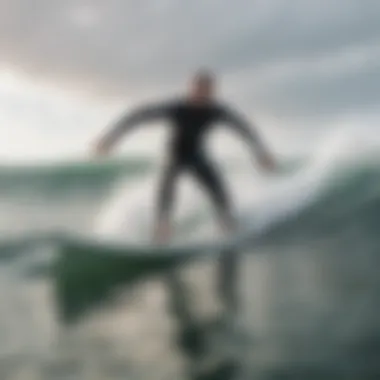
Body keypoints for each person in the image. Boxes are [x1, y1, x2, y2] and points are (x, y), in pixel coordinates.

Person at [93, 69, 277, 245]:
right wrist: (110, 138)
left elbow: (243, 128)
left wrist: (261, 153)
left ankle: (228, 227)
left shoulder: (215, 111)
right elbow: (139, 116)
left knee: (219, 191)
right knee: (167, 187)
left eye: (206, 90)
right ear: (191, 88)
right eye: (197, 88)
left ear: (212, 91)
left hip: (196, 156)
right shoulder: (178, 108)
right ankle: (161, 231)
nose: (201, 94)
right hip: (174, 154)